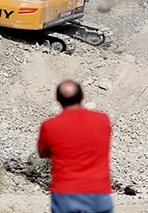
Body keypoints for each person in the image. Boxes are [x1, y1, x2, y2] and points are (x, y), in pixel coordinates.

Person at [37, 80, 114, 213]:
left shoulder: (49, 125)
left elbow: (42, 153)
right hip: (98, 191)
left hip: (65, 192)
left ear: (57, 99)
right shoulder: (102, 119)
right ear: (82, 96)